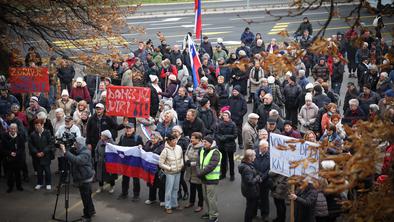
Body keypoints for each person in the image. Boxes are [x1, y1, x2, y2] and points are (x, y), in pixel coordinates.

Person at [60, 137, 95, 222]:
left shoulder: (85, 153)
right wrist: (67, 147)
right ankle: (91, 211)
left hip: (85, 179)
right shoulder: (80, 150)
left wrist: (65, 151)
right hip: (83, 177)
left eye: (75, 143)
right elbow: (73, 154)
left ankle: (87, 217)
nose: (74, 144)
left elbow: (76, 160)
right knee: (88, 197)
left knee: (86, 198)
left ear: (79, 144)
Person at [197, 135, 221, 222]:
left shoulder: (215, 152)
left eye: (205, 142)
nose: (203, 144)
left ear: (210, 143)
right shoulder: (202, 150)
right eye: (203, 142)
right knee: (206, 197)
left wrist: (200, 173)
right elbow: (198, 162)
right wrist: (199, 172)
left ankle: (214, 216)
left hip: (212, 179)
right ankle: (209, 212)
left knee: (212, 198)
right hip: (204, 178)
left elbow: (211, 166)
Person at [117, 123, 144, 201]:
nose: (128, 129)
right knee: (125, 179)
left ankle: (136, 195)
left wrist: (141, 147)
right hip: (125, 162)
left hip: (135, 163)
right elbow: (119, 147)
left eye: (130, 128)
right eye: (127, 128)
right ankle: (124, 193)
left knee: (136, 180)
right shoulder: (122, 137)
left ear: (133, 129)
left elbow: (143, 149)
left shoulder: (138, 138)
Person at [159, 133, 184, 214]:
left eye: (175, 140)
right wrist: (169, 168)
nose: (175, 141)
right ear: (169, 141)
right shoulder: (165, 150)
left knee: (176, 189)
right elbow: (160, 163)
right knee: (169, 190)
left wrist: (181, 165)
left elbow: (181, 158)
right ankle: (168, 206)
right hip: (170, 173)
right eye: (173, 140)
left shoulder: (179, 148)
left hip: (178, 172)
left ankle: (174, 204)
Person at [29, 118, 54, 190]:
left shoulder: (47, 133)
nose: (37, 127)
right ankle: (39, 183)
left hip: (46, 155)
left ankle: (48, 183)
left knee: (47, 171)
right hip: (37, 156)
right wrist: (36, 152)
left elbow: (50, 144)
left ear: (42, 125)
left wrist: (44, 152)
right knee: (39, 171)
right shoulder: (32, 134)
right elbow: (31, 145)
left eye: (39, 125)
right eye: (36, 125)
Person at [55, 116, 81, 183]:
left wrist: (74, 144)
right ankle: (63, 181)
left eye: (68, 121)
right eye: (66, 121)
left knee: (74, 166)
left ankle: (76, 180)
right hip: (64, 150)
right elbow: (56, 136)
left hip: (73, 150)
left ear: (72, 121)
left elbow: (79, 139)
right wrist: (59, 142)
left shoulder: (76, 128)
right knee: (64, 167)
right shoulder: (61, 127)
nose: (67, 122)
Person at [0, 123, 26, 192]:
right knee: (10, 174)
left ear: (17, 129)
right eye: (11, 129)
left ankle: (19, 186)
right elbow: (2, 149)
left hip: (18, 159)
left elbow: (22, 148)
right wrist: (10, 153)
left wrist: (16, 153)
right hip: (9, 159)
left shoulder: (20, 137)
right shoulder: (4, 137)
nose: (13, 130)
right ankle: (10, 187)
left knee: (18, 173)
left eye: (14, 129)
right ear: (9, 129)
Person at [143, 131, 165, 206]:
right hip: (149, 167)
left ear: (158, 138)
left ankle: (162, 200)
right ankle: (152, 198)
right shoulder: (148, 143)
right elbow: (144, 150)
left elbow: (156, 153)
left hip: (158, 168)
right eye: (151, 138)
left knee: (160, 184)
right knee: (151, 183)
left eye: (154, 138)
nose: (152, 139)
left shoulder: (162, 145)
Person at [238, 149, 261, 222]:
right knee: (250, 208)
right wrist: (257, 177)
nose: (255, 157)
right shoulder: (248, 169)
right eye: (254, 156)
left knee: (249, 206)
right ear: (250, 157)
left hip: (247, 190)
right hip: (251, 191)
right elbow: (250, 181)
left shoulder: (245, 164)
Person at [184, 132, 204, 212]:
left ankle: (200, 205)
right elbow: (186, 154)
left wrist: (191, 163)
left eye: (193, 138)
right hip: (190, 171)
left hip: (197, 172)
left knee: (199, 189)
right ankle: (191, 202)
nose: (191, 139)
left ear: (198, 139)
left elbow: (201, 161)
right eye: (191, 137)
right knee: (192, 187)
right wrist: (187, 160)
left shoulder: (202, 148)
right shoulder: (190, 145)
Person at [215, 110, 237, 181]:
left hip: (230, 145)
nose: (224, 116)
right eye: (223, 115)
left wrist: (226, 137)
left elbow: (235, 135)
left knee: (231, 161)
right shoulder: (220, 124)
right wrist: (221, 138)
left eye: (226, 115)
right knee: (223, 160)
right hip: (222, 145)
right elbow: (217, 134)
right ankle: (223, 174)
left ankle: (232, 174)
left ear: (229, 117)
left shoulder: (233, 124)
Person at [254, 140, 271, 221]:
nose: (266, 149)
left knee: (265, 199)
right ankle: (253, 213)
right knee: (254, 198)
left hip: (265, 181)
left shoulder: (270, 155)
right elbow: (252, 166)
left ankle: (265, 214)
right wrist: (258, 176)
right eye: (264, 147)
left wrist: (263, 177)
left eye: (267, 147)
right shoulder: (254, 153)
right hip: (255, 180)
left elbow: (269, 169)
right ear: (260, 147)